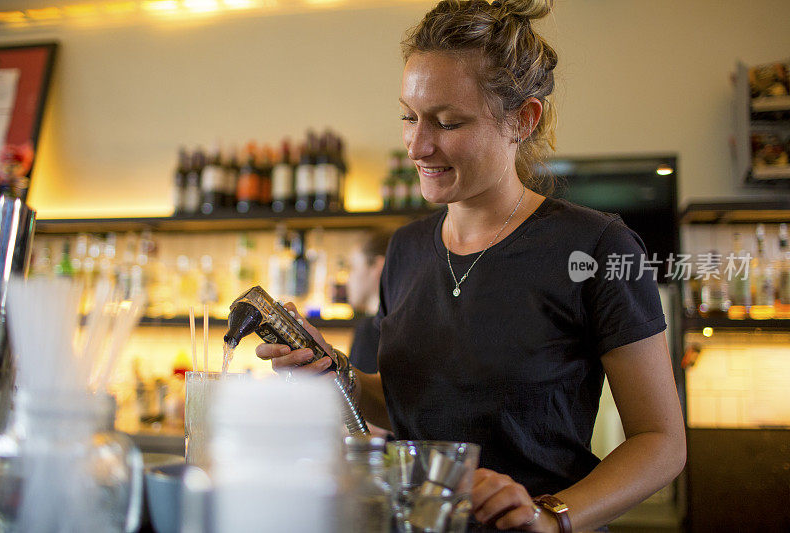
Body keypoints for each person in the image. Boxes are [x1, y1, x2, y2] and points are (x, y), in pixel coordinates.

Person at [256, 1, 686, 531]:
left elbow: (661, 443)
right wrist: (334, 371)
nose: (417, 145)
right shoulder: (408, 250)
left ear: (523, 120)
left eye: (449, 122)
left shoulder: (599, 246)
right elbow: (411, 410)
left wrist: (551, 516)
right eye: (408, 118)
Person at [346, 229, 392, 375]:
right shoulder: (405, 324)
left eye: (352, 267)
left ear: (378, 267)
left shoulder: (369, 329)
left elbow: (355, 393)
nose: (348, 279)